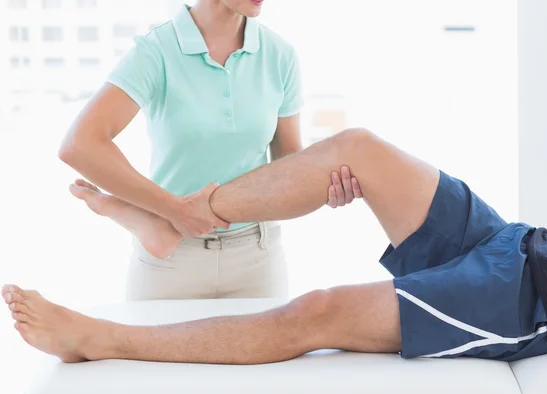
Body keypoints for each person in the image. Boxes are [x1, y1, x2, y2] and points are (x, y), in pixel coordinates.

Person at [6, 129, 547, 364]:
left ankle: (102, 339)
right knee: (357, 149)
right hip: (526, 246)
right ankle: (176, 217)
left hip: (536, 302)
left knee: (317, 311)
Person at [57, 0, 362, 301]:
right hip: (172, 260)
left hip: (257, 257)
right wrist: (174, 210)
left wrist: (325, 187)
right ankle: (149, 222)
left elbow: (289, 165)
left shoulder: (279, 55)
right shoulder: (157, 50)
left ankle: (138, 217)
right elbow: (80, 145)